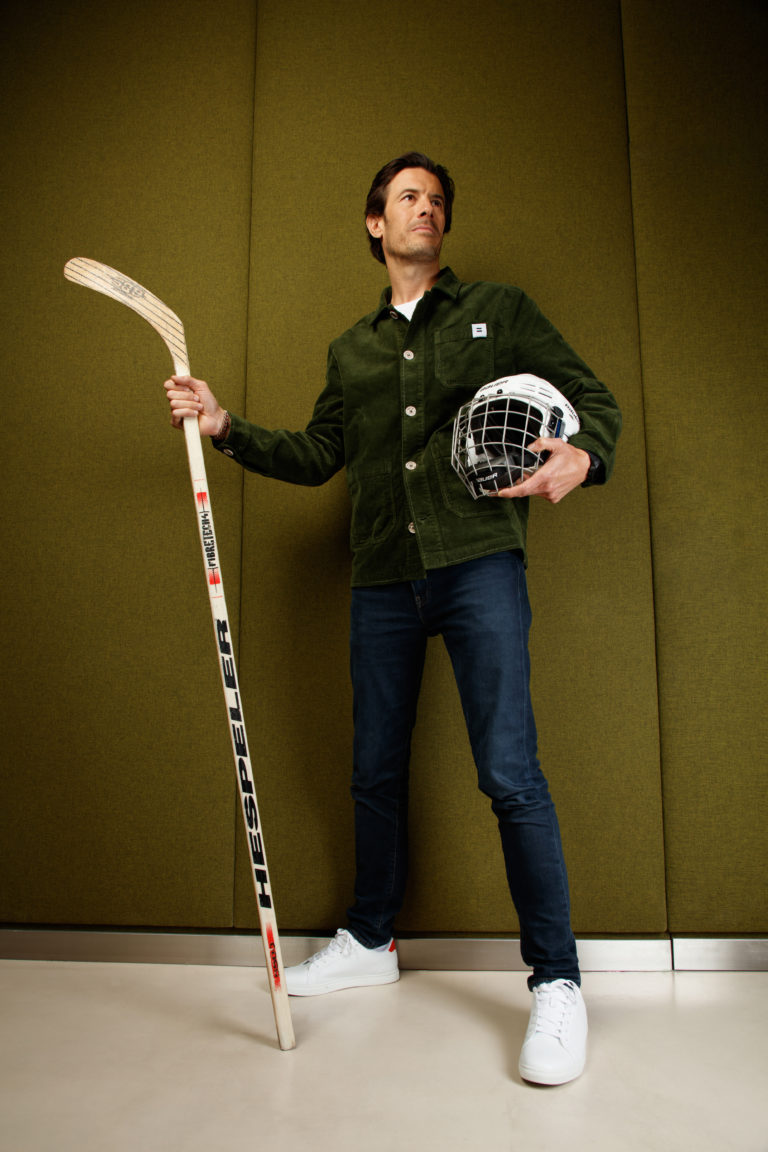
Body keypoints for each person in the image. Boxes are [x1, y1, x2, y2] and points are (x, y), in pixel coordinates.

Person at [164, 152, 621, 1086]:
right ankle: (371, 940)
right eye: (410, 197)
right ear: (376, 222)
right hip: (381, 580)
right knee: (373, 770)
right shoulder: (352, 350)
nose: (428, 208)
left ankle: (558, 982)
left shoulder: (500, 310)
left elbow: (595, 402)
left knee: (510, 772)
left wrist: (586, 455)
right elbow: (316, 454)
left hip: (480, 565)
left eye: (438, 200)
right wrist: (224, 426)